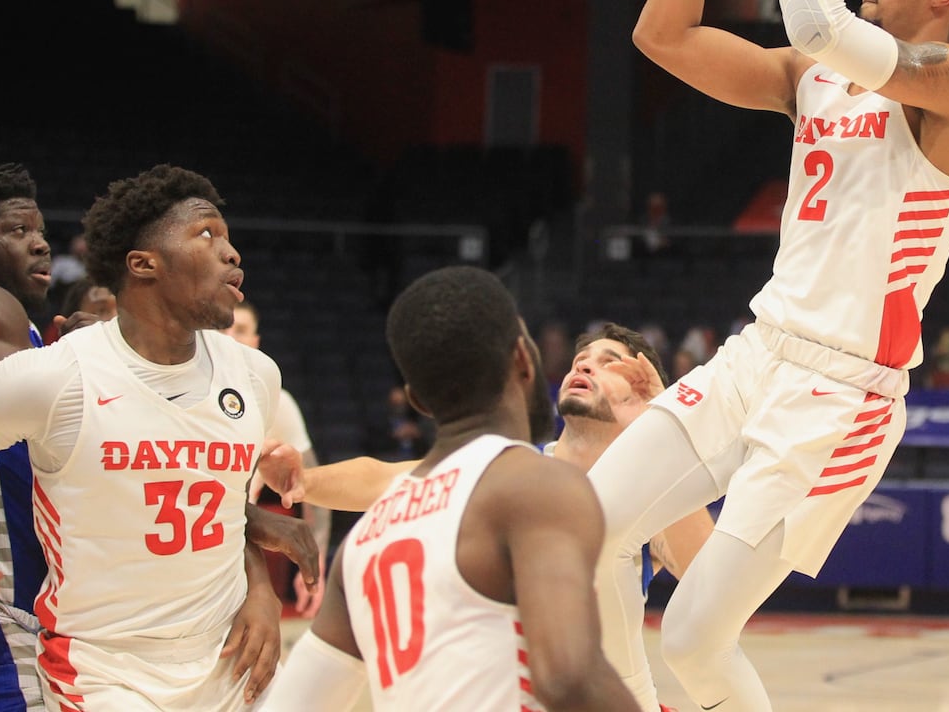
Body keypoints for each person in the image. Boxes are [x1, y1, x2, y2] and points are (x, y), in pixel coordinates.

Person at [589, 0, 949, 712]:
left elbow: (822, 24)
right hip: (759, 353)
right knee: (583, 533)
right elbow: (661, 36)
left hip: (842, 395)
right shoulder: (812, 78)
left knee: (698, 641)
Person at [259, 266, 642, 712]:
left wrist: (302, 481)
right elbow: (567, 678)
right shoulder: (537, 485)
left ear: (417, 400)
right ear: (522, 359)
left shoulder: (362, 544)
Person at [0, 164, 300, 709]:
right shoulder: (57, 376)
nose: (232, 253)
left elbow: (223, 510)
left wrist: (262, 591)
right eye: (207, 234)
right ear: (143, 264)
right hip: (104, 670)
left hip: (232, 659)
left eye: (230, 239)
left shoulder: (256, 376)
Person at [258, 322, 715, 593]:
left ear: (642, 385)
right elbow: (388, 479)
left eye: (609, 360)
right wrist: (305, 480)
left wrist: (659, 431)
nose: (584, 364)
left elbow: (708, 580)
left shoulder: (650, 497)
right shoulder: (509, 467)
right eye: (582, 358)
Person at [222, 300, 330, 618]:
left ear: (256, 342)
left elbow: (309, 487)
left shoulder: (277, 402)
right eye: (223, 328)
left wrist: (317, 559)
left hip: (233, 554)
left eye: (241, 330)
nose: (230, 337)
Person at [0, 163, 54, 710]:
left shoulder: (23, 324)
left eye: (40, 232)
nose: (39, 245)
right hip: (5, 602)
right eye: (17, 231)